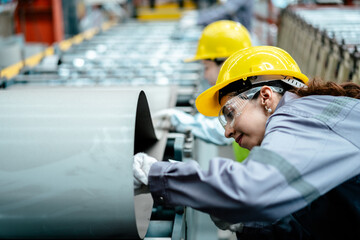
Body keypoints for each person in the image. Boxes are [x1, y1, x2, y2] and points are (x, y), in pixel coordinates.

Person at [134, 45, 360, 239]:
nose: (227, 132)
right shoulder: (308, 117)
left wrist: (161, 175)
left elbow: (251, 190)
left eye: (230, 113)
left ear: (265, 96)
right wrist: (250, 225)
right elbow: (328, 227)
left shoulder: (296, 117)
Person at [154, 20, 251, 161]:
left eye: (206, 67)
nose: (204, 75)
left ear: (226, 64)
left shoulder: (251, 101)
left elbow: (222, 131)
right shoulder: (249, 94)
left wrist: (182, 121)